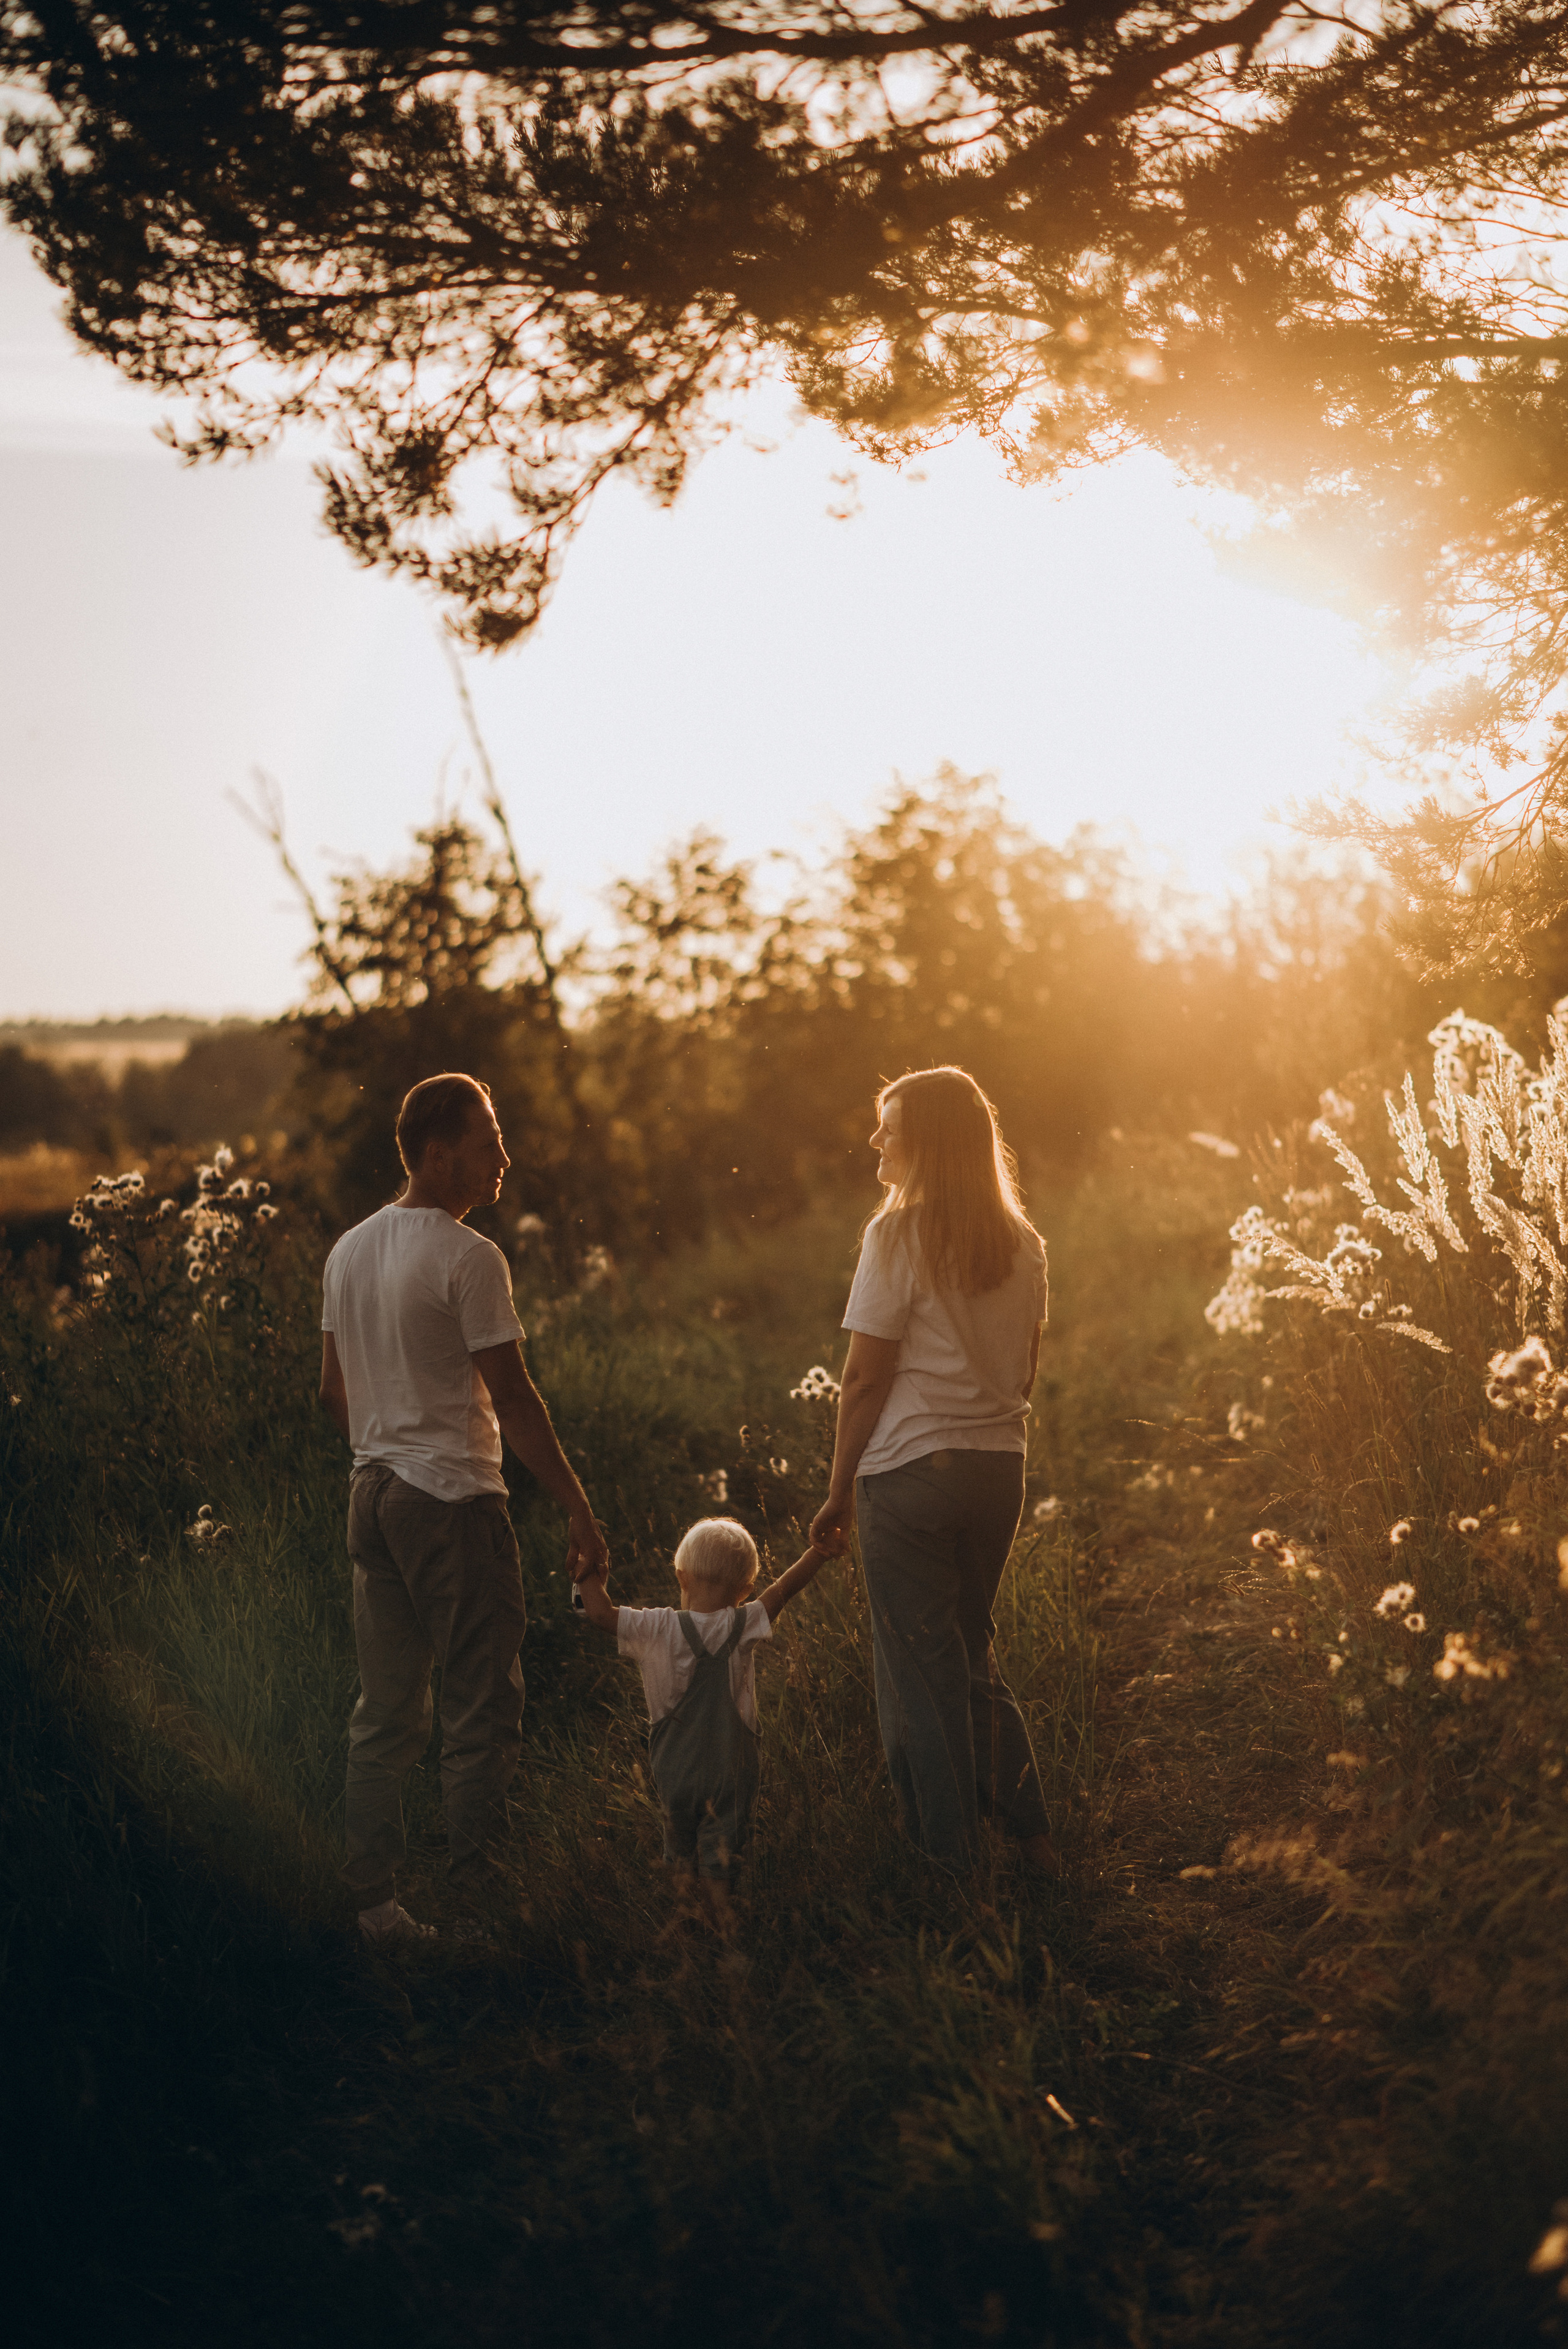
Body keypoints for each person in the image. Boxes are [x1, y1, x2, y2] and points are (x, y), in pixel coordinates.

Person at [319, 1071, 608, 1946]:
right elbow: (514, 1401)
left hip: (372, 1495)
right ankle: (481, 1915)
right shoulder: (467, 1256)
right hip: (450, 1502)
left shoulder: (349, 1249)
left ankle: (372, 1905)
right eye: (487, 1143)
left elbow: (332, 1391)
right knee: (481, 1708)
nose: (502, 1159)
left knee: (388, 1709)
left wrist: (387, 1442)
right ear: (436, 1154)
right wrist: (578, 1508)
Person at [809, 1066, 1057, 1878]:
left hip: (910, 1475)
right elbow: (1023, 1374)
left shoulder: (895, 1235)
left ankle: (952, 1873)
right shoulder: (1025, 1245)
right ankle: (1032, 1842)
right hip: (998, 1473)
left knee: (920, 1676)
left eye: (892, 1127)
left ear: (933, 1140)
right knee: (967, 1656)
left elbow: (863, 1379)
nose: (877, 1140)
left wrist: (838, 1489)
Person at [574, 1517, 837, 1916]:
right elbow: (783, 1590)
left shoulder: (658, 1626)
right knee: (722, 1859)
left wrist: (585, 1568)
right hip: (733, 1775)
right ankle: (724, 1936)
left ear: (682, 1577)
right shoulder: (745, 1622)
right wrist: (819, 1552)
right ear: (746, 1589)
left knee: (678, 1855)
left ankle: (683, 1933)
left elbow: (598, 1613)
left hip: (674, 1775)